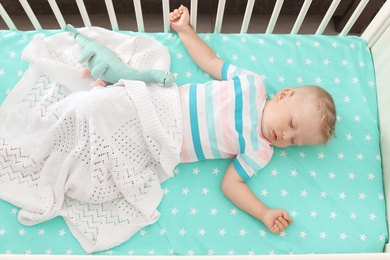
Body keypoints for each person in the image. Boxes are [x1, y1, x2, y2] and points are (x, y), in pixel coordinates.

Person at [170, 5, 336, 234]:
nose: (287, 136)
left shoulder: (261, 151)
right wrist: (184, 30)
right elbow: (209, 62)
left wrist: (264, 213)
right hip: (164, 104)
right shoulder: (252, 84)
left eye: (294, 142)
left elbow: (231, 185)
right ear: (284, 95)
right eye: (292, 124)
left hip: (166, 145)